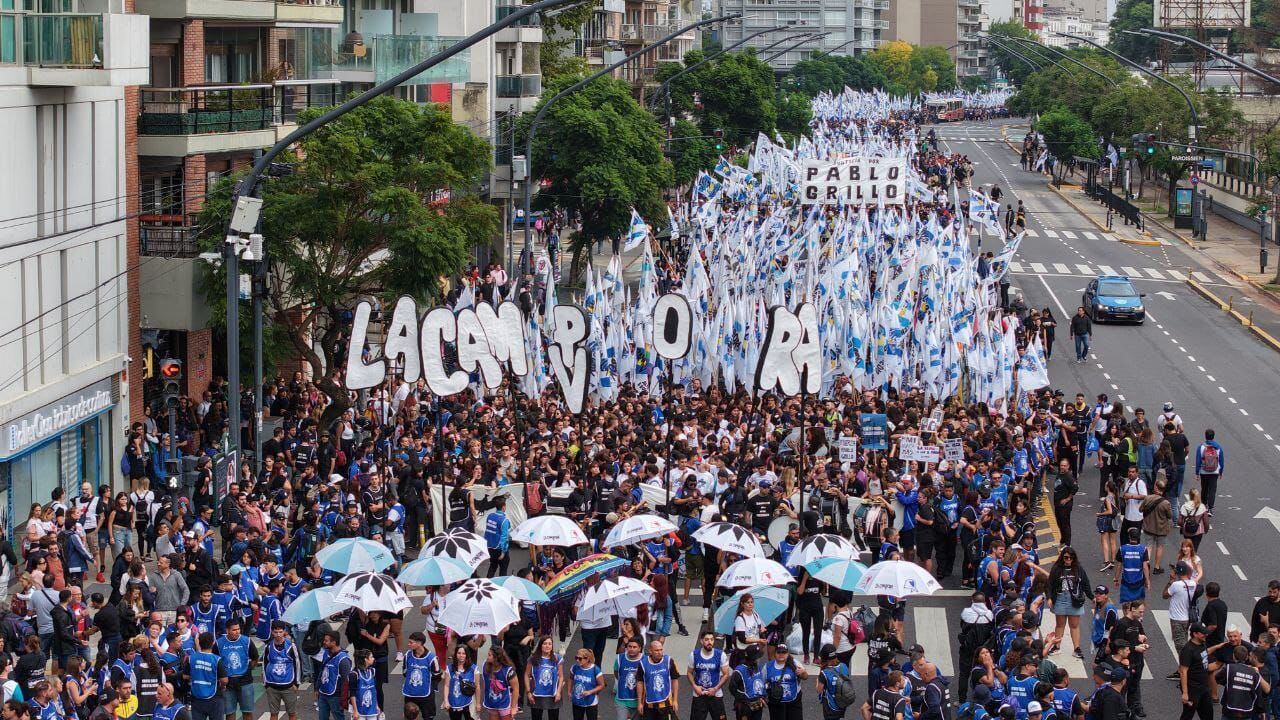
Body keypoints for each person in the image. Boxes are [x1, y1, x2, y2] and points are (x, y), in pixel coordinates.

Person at [1048, 548, 1090, 659]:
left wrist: (1092, 597)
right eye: (1066, 557)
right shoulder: (1056, 569)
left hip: (1074, 600)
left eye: (1071, 557)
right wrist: (1049, 598)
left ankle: (1076, 648)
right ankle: (1057, 647)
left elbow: (1085, 583)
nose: (1068, 560)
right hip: (1060, 598)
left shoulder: (1078, 569)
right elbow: (1050, 584)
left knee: (1074, 625)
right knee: (1060, 625)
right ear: (1062, 557)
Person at [1164, 562, 1202, 673]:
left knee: (1180, 648)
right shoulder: (1194, 584)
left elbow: (1164, 595)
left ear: (1177, 572)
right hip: (1188, 618)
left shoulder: (1176, 585)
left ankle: (1185, 671)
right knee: (1184, 643)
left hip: (1177, 619)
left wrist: (1171, 580)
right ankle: (1183, 669)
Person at [215, 619, 256, 720]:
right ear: (227, 630)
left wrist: (248, 670)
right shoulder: (219, 643)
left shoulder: (246, 641)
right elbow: (215, 662)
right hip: (227, 684)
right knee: (230, 713)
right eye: (234, 630)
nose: (237, 632)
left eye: (238, 629)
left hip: (245, 682)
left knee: (247, 712)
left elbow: (255, 657)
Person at [1215, 644, 1269, 720]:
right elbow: (1258, 693)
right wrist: (1261, 710)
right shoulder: (1254, 672)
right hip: (1246, 712)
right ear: (1246, 657)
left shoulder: (1229, 667)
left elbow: (1217, 677)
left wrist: (1229, 683)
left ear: (1233, 656)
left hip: (1229, 711)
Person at [262, 622, 301, 720]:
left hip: (288, 685)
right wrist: (266, 683)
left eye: (280, 632)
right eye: (276, 632)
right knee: (273, 714)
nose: (278, 634)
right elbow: (264, 664)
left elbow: (298, 664)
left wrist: (296, 683)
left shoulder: (292, 646)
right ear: (272, 632)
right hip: (272, 686)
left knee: (292, 714)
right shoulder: (268, 647)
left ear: (284, 632)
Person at [688, 631, 730, 720]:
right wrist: (695, 687)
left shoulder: (721, 655)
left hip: (716, 694)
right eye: (706, 639)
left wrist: (715, 689)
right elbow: (689, 673)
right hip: (699, 694)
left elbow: (726, 674)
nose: (709, 642)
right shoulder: (694, 655)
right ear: (701, 641)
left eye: (711, 639)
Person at [184, 633, 224, 720]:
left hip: (196, 697)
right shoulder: (217, 659)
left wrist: (196, 675)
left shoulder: (191, 658)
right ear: (213, 643)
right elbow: (224, 680)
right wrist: (223, 686)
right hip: (215, 698)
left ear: (199, 643)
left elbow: (185, 676)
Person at [314, 631, 353, 720]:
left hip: (336, 696)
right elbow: (322, 670)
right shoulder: (326, 653)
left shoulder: (343, 659)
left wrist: (344, 698)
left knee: (339, 717)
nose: (324, 642)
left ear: (334, 642)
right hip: (323, 693)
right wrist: (317, 687)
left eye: (326, 640)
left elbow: (346, 680)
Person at [638, 639, 679, 720]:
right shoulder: (643, 663)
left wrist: (675, 700)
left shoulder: (669, 661)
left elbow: (675, 680)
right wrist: (639, 703)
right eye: (656, 650)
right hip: (649, 705)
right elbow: (640, 683)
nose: (660, 652)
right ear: (650, 651)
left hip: (666, 704)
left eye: (661, 650)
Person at [763, 643, 806, 720]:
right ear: (775, 653)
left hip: (794, 702)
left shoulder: (795, 663)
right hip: (776, 703)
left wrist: (803, 673)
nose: (781, 654)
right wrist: (764, 696)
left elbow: (805, 677)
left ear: (788, 654)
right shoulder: (767, 666)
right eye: (779, 652)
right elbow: (762, 683)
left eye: (784, 652)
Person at [526, 636, 563, 720]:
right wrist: (528, 692)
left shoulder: (557, 658)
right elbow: (526, 675)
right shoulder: (533, 658)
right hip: (536, 694)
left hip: (553, 694)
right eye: (545, 643)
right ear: (540, 645)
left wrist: (559, 692)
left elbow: (561, 677)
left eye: (550, 644)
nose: (547, 646)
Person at [481, 646, 519, 720]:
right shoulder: (486, 666)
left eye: (489, 655)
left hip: (505, 702)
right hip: (492, 702)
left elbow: (516, 689)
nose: (487, 657)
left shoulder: (508, 670)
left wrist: (513, 707)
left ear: (496, 658)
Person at [443, 645, 480, 720]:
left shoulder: (474, 669)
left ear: (467, 655)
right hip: (454, 702)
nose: (461, 655)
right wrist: (446, 701)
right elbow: (446, 685)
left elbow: (477, 687)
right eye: (459, 653)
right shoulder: (449, 668)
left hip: (469, 703)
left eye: (463, 653)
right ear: (455, 654)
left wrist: (478, 703)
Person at [814, 645, 851, 720]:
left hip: (830, 706)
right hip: (842, 703)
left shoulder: (824, 673)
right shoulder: (844, 666)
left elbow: (819, 690)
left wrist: (817, 680)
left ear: (825, 659)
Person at [1113, 529, 1149, 604]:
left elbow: (1119, 566)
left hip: (1126, 582)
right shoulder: (1143, 549)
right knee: (1138, 604)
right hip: (1139, 582)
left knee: (1126, 604)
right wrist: (1147, 581)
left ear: (1129, 536)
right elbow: (1145, 567)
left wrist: (1116, 579)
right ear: (1139, 537)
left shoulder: (1122, 549)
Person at [569, 649, 604, 720]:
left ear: (587, 659)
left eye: (580, 658)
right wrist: (569, 691)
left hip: (591, 702)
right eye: (576, 657)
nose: (577, 660)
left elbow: (601, 685)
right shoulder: (574, 667)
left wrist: (590, 692)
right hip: (577, 700)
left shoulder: (595, 669)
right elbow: (570, 678)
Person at [1193, 430, 1224, 511]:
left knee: (1204, 488)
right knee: (1212, 490)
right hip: (1214, 471)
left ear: (1205, 436)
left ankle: (1204, 506)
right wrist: (1220, 472)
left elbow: (1198, 461)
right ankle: (1210, 508)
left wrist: (1197, 473)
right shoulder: (1218, 447)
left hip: (1204, 471)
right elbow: (1221, 461)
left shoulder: (1201, 447)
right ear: (1213, 436)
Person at [615, 638, 644, 720]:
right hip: (621, 699)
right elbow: (616, 674)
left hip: (639, 700)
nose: (631, 649)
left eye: (634, 647)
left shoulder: (645, 660)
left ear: (639, 648)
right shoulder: (619, 658)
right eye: (629, 646)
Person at [348, 649, 381, 720]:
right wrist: (355, 711)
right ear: (366, 660)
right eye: (371, 657)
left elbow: (374, 690)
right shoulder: (354, 674)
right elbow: (352, 694)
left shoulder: (372, 671)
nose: (373, 658)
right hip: (358, 708)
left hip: (372, 707)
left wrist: (377, 705)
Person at [484, 497, 512, 579]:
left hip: (490, 547)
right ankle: (501, 584)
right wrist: (503, 552)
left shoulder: (490, 516)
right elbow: (504, 537)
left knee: (493, 566)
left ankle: (487, 583)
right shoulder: (504, 520)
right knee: (503, 570)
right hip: (499, 549)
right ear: (503, 507)